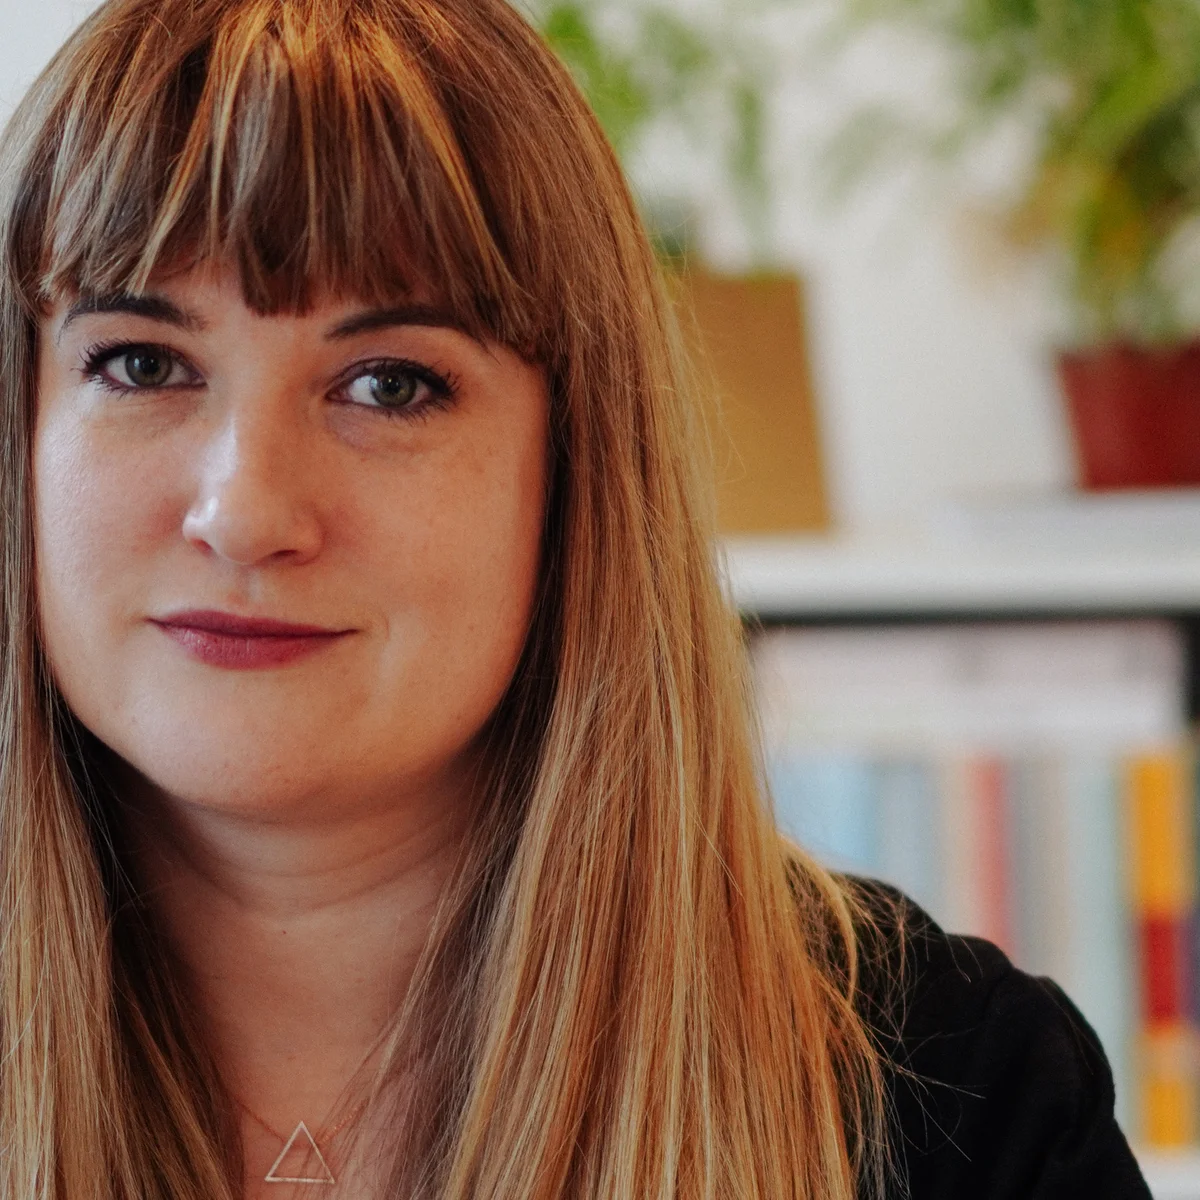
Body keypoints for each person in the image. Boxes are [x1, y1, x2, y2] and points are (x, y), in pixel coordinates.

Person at [0, 0, 1152, 1196]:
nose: (244, 512)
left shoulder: (964, 1101)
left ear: (576, 468)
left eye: (389, 384)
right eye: (141, 363)